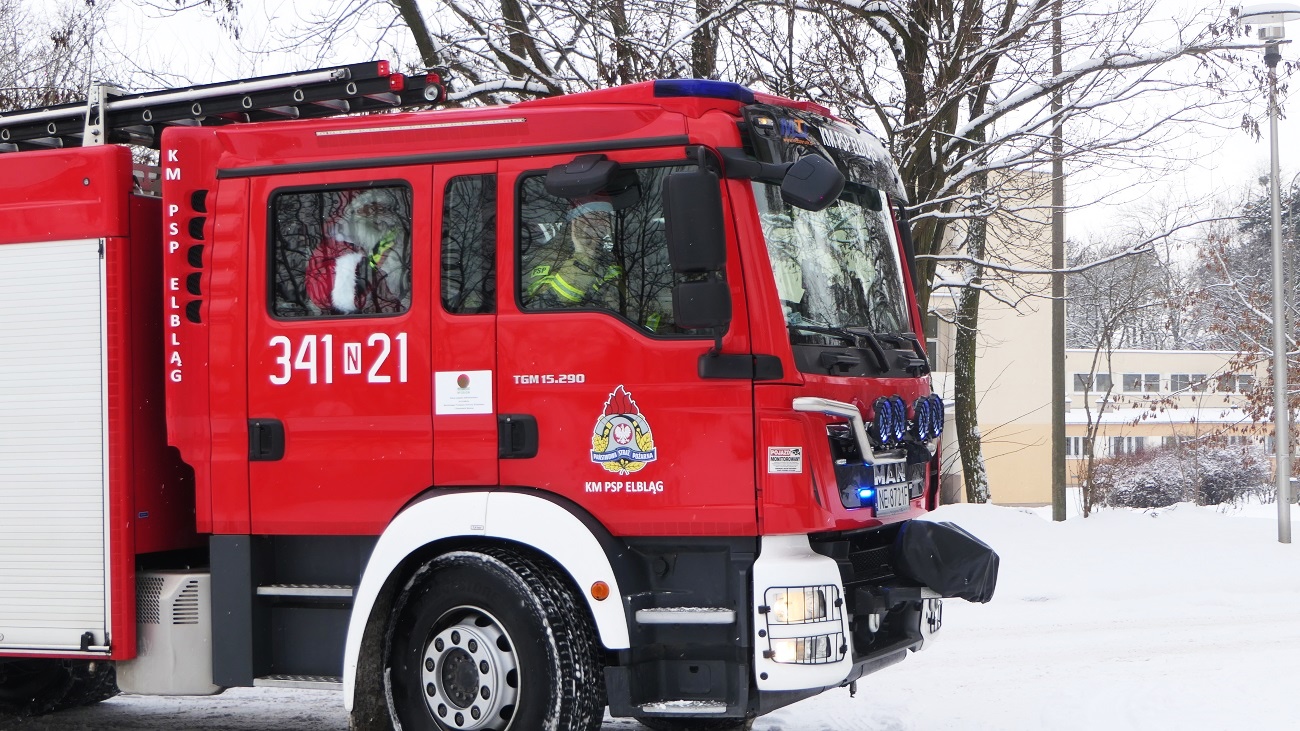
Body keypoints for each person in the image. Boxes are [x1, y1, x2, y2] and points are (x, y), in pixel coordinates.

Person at [305, 188, 409, 315]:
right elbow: (326, 295)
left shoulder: (399, 238)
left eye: (383, 209)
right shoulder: (334, 247)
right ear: (357, 211)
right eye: (370, 208)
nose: (377, 214)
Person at [523, 197, 625, 310]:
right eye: (594, 214)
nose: (601, 222)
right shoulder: (547, 254)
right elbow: (540, 305)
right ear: (575, 221)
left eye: (606, 215)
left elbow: (625, 308)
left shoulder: (611, 261)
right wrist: (582, 257)